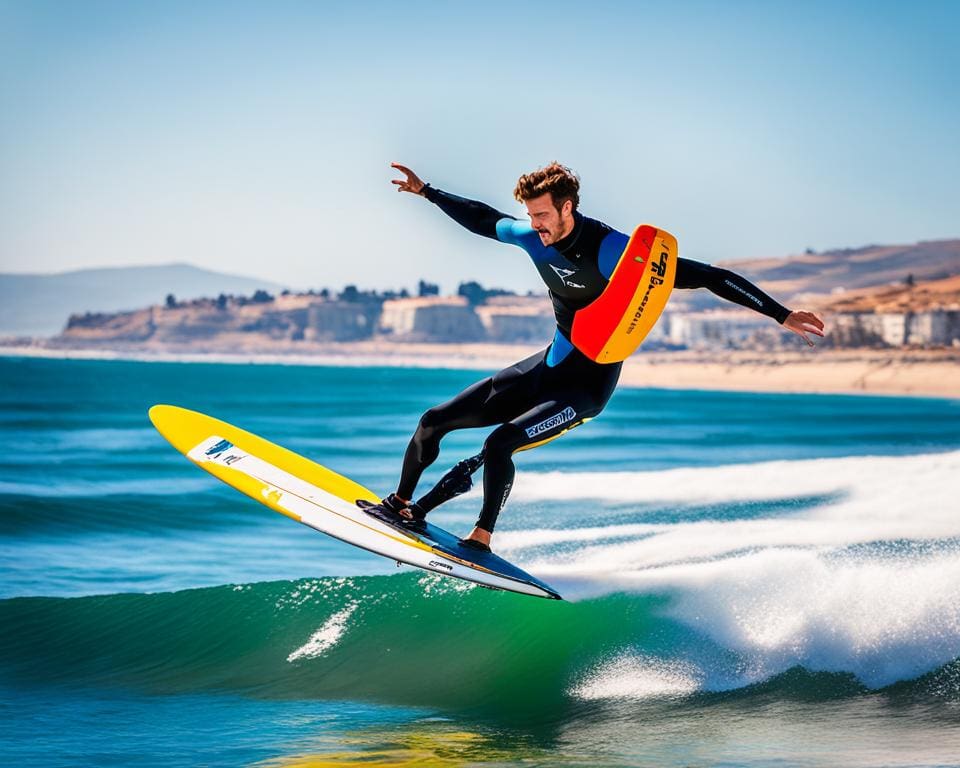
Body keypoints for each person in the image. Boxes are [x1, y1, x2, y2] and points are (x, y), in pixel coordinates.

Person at [360, 162, 825, 552]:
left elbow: (708, 275)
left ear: (568, 207)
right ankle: (400, 503)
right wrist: (428, 193)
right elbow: (485, 219)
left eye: (542, 214)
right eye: (530, 215)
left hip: (586, 388)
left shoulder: (613, 252)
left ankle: (481, 537)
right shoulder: (531, 236)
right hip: (551, 364)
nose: (534, 224)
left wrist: (781, 314)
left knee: (501, 443)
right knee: (433, 420)